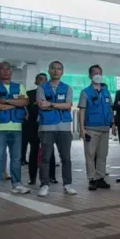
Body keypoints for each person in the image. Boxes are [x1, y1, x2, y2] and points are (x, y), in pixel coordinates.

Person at [0, 61, 29, 196]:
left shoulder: (19, 87)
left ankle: (17, 184)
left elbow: (25, 102)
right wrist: (16, 104)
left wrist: (5, 101)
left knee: (16, 158)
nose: (5, 71)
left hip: (16, 127)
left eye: (8, 69)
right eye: (2, 69)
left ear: (11, 71)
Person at [36, 61, 76, 197]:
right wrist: (59, 104)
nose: (56, 71)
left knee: (66, 157)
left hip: (64, 128)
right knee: (45, 158)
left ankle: (67, 184)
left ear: (62, 72)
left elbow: (68, 105)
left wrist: (51, 104)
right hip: (46, 127)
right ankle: (44, 184)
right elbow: (41, 105)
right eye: (53, 68)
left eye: (59, 69)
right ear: (49, 70)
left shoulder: (67, 88)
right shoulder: (41, 88)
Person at [78, 65, 113, 191]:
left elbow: (110, 108)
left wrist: (113, 123)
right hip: (91, 128)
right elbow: (81, 111)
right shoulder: (85, 92)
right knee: (90, 155)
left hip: (105, 128)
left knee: (103, 154)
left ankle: (100, 177)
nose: (98, 75)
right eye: (95, 73)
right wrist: (82, 129)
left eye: (100, 73)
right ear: (90, 76)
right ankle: (92, 179)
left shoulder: (106, 92)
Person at [26, 72, 57, 186]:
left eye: (45, 79)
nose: (42, 81)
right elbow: (26, 109)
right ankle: (32, 178)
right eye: (40, 79)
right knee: (34, 151)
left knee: (50, 152)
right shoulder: (29, 94)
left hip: (48, 126)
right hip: (34, 126)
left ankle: (51, 176)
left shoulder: (51, 93)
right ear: (36, 82)